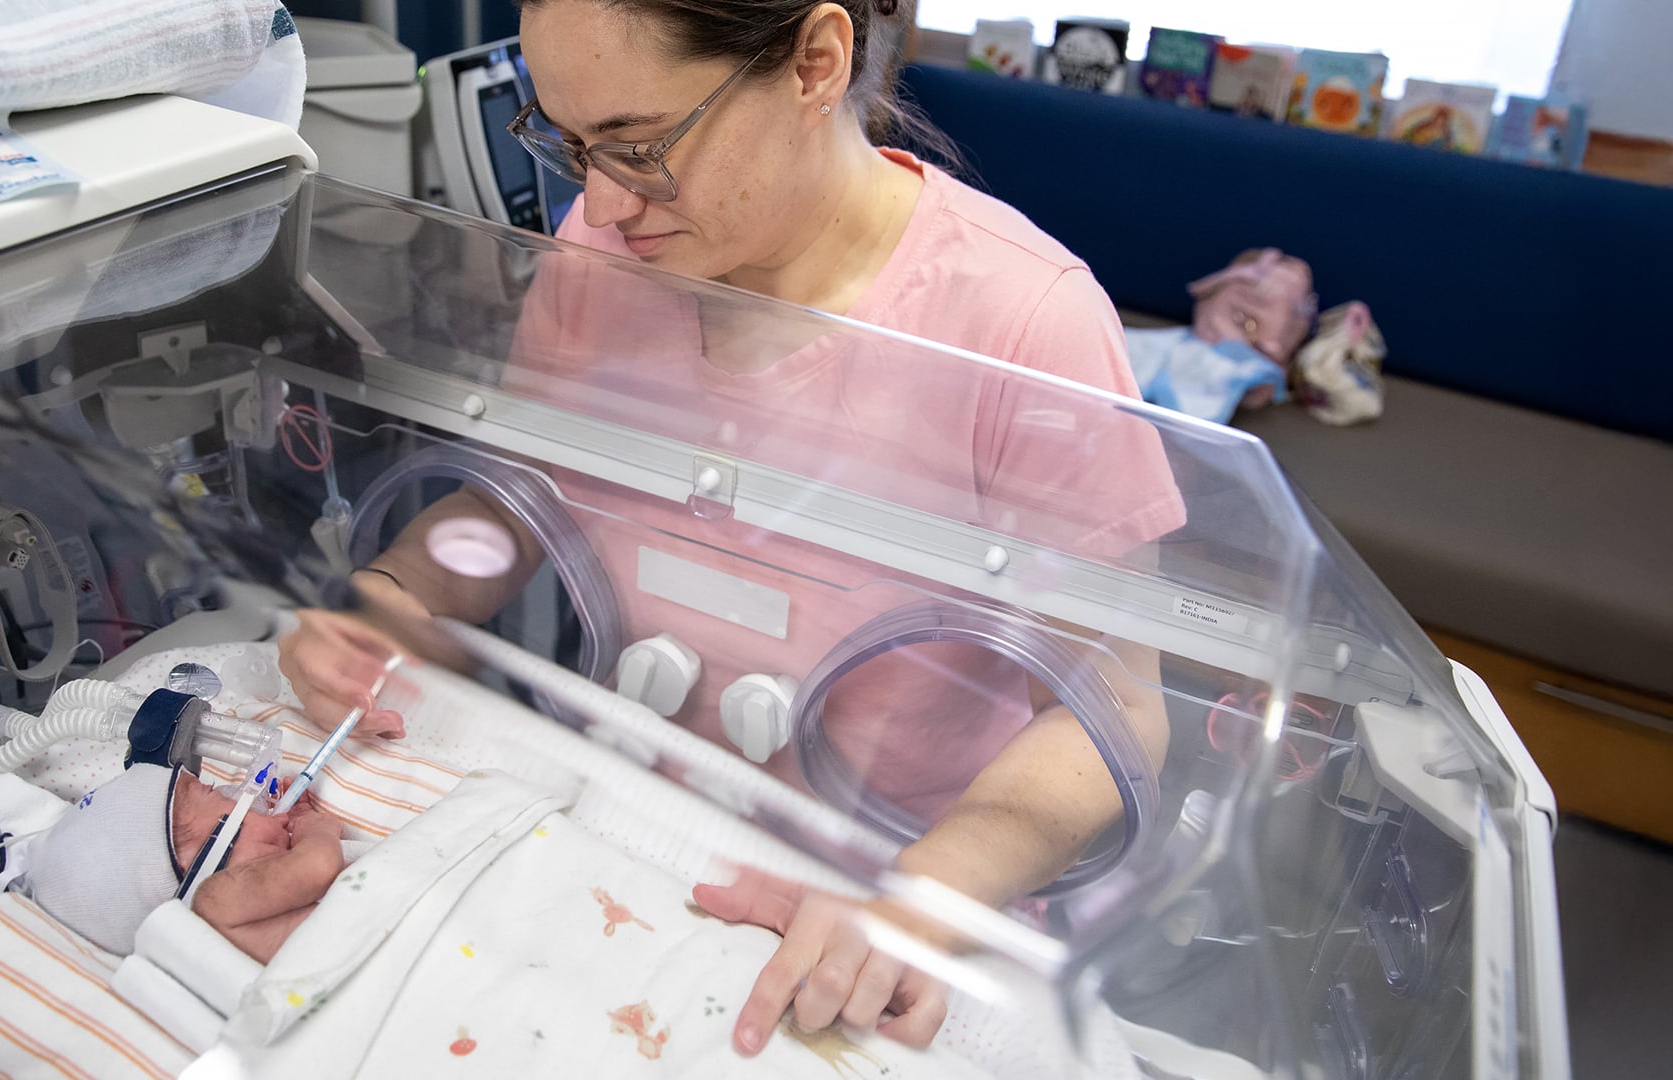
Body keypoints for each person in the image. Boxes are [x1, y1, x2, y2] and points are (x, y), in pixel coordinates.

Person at [279, 0, 1183, 1056]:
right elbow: (516, 504)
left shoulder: (1023, 325)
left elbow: (1111, 717)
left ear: (814, 62)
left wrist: (918, 902)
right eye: (569, 145)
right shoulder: (600, 254)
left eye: (641, 146)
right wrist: (398, 596)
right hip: (642, 832)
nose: (605, 203)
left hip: (900, 881)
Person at [25, 763, 347, 962]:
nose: (260, 805)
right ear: (201, 864)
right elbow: (317, 865)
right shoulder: (214, 903)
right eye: (222, 797)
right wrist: (312, 827)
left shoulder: (223, 919)